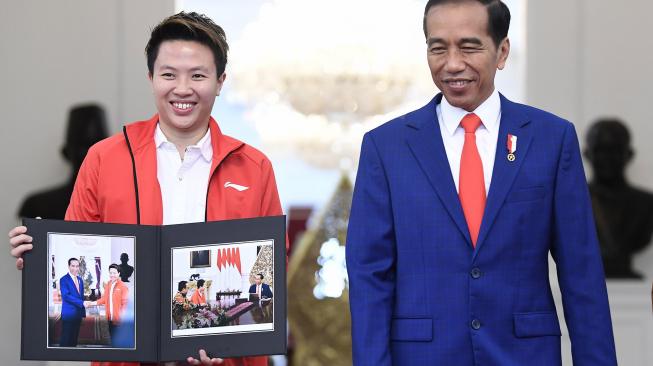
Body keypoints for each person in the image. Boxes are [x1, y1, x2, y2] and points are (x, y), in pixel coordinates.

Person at [345, 1, 617, 365]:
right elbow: (369, 276)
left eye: (469, 46)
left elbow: (581, 274)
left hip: (524, 354)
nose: (452, 63)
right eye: (438, 47)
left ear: (501, 51)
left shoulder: (552, 139)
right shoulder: (386, 147)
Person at [9, 11, 282, 366]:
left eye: (198, 75)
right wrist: (40, 256)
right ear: (151, 77)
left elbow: (270, 272)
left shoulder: (254, 167)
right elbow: (77, 253)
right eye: (169, 74)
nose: (182, 89)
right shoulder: (103, 158)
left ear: (220, 81)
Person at [584, 118, 653, 279]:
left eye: (614, 150)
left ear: (628, 155)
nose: (607, 158)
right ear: (587, 154)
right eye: (600, 150)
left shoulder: (647, 203)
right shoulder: (571, 201)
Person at [18, 104, 108, 219]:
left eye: (96, 147)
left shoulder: (123, 204)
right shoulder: (37, 205)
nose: (90, 154)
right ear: (66, 153)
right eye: (82, 146)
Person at [86, 264, 129, 347]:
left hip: (119, 320)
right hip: (109, 318)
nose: (112, 275)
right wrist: (92, 303)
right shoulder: (108, 284)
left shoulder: (123, 287)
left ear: (119, 273)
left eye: (114, 273)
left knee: (119, 341)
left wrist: (122, 318)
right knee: (112, 339)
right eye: (110, 273)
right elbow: (104, 299)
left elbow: (125, 304)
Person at [59, 257, 86, 347]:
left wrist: (82, 312)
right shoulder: (63, 280)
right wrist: (82, 303)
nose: (75, 268)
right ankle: (62, 358)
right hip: (68, 314)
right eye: (73, 266)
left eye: (77, 266)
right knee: (66, 339)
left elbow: (81, 297)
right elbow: (66, 296)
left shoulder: (80, 280)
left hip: (77, 315)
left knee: (74, 339)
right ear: (68, 266)